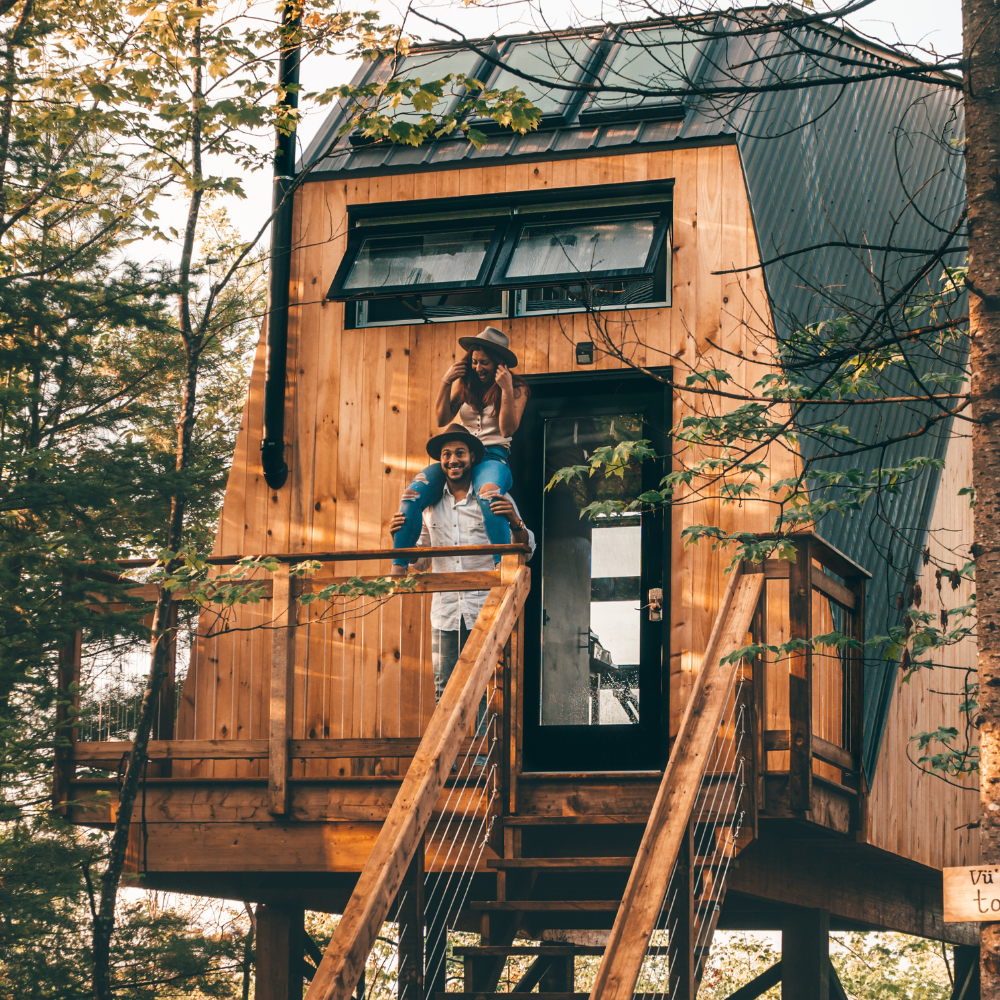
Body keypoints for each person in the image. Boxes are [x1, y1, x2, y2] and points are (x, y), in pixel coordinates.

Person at [389, 424, 534, 707]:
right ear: (440, 461)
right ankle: (451, 754)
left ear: (472, 457)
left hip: (487, 607)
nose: (453, 459)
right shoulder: (428, 506)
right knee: (445, 691)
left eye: (460, 453)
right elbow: (421, 561)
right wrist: (398, 539)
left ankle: (479, 754)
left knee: (486, 688)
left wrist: (516, 524)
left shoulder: (494, 497)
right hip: (445, 612)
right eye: (446, 454)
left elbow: (527, 551)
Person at [391, 326, 530, 573]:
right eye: (474, 362)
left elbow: (508, 429)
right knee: (411, 495)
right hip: (463, 454)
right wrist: (447, 382)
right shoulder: (466, 385)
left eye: (485, 363)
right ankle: (398, 567)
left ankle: (500, 565)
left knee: (489, 494)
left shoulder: (517, 388)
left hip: (493, 457)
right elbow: (441, 419)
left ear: (499, 363)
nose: (478, 368)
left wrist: (506, 389)